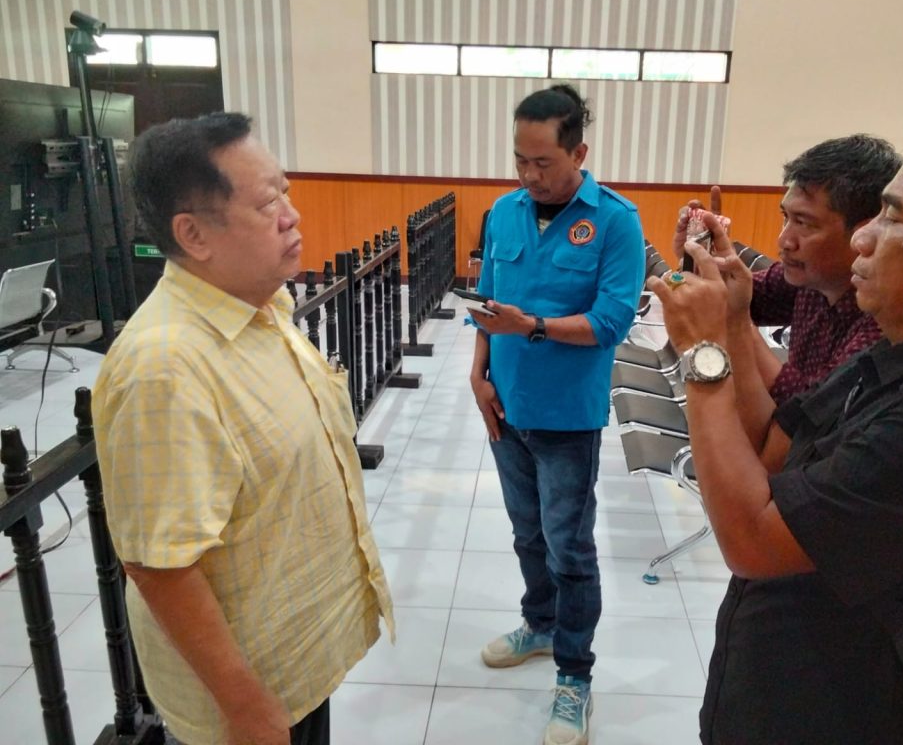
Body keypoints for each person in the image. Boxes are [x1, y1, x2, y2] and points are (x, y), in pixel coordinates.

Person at [649, 110, 903, 744]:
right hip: (770, 685)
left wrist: (704, 355)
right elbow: (770, 452)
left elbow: (752, 541)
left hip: (838, 714)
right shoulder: (900, 354)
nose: (863, 238)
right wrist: (732, 320)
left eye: (892, 218)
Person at [93, 112, 394, 745]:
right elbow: (161, 566)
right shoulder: (164, 368)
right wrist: (248, 710)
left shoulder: (260, 306)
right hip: (247, 703)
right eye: (266, 203)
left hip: (294, 664)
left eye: (285, 190)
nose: (292, 215)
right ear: (194, 234)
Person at [469, 84, 645, 745]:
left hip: (567, 418)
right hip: (506, 406)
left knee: (569, 547)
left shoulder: (616, 221)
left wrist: (533, 326)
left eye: (543, 162)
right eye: (520, 159)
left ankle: (575, 675)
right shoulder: (503, 212)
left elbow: (610, 323)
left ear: (579, 153)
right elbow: (487, 303)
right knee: (527, 534)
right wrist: (479, 373)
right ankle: (540, 625)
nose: (529, 174)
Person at [673, 136, 902, 420]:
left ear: (865, 233)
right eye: (786, 217)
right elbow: (723, 297)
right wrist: (698, 258)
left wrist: (737, 319)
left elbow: (808, 414)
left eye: (803, 223)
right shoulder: (810, 277)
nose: (783, 240)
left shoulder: (887, 322)